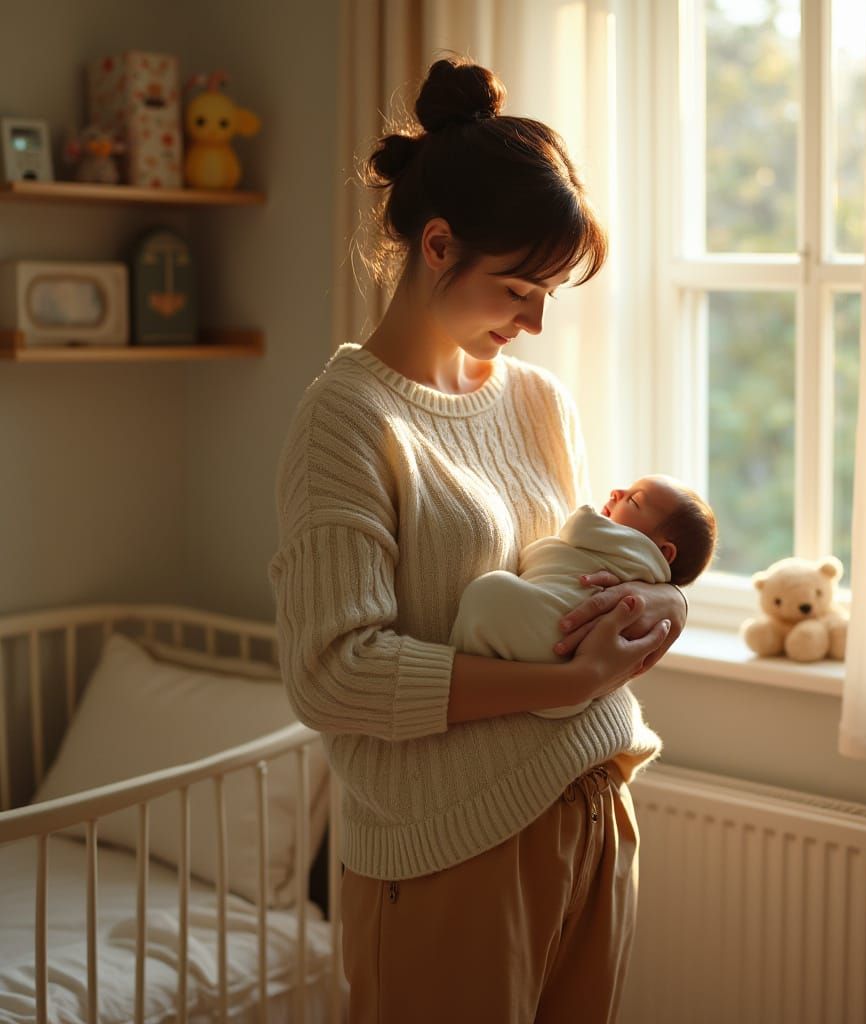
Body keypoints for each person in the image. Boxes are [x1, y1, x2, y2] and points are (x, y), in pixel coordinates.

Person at [268, 56, 688, 1024]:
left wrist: (657, 597)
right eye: (518, 288)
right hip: (447, 847)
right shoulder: (347, 418)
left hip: (590, 806)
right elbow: (333, 672)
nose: (536, 321)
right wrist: (566, 684)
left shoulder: (541, 403)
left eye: (550, 293)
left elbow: (573, 580)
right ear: (439, 245)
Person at [450, 475, 716, 718]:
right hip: (570, 678)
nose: (617, 491)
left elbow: (578, 526)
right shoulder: (647, 578)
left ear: (664, 552)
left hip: (557, 643)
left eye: (634, 500)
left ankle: (472, 661)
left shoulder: (628, 549)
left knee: (489, 594)